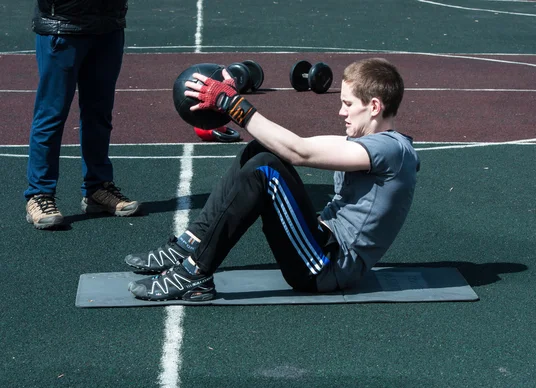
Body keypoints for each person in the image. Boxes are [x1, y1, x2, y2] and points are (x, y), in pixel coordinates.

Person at [126, 58, 420, 301]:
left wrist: (231, 104)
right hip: (319, 243)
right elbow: (291, 144)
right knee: (261, 149)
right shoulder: (374, 143)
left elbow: (298, 152)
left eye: (348, 103)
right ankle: (190, 244)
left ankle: (195, 274)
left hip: (328, 267)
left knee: (265, 169)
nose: (341, 111)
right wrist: (233, 102)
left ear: (374, 107)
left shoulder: (392, 149)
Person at [24, 0, 140, 230]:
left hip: (108, 25)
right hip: (62, 25)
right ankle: (39, 194)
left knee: (99, 113)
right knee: (51, 116)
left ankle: (98, 188)